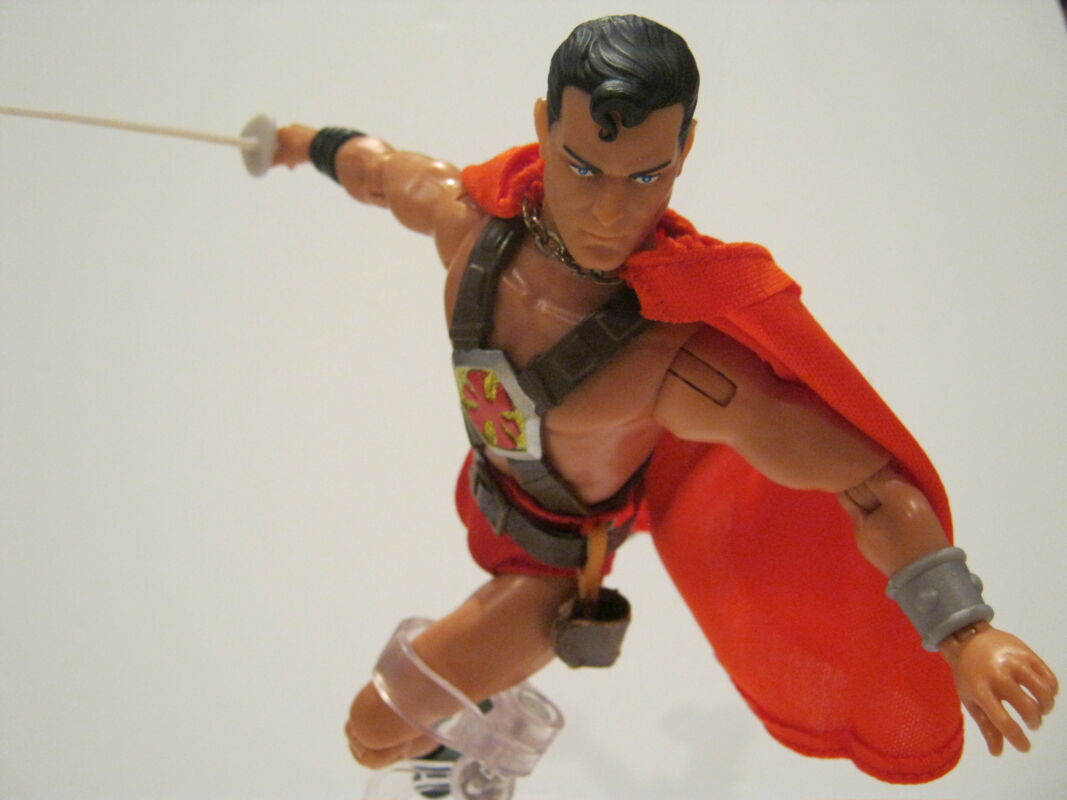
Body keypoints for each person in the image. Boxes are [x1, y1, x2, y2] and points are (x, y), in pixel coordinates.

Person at [271, 15, 1056, 785]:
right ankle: (471, 702)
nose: (609, 213)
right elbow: (380, 172)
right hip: (482, 495)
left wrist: (963, 631)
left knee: (374, 731)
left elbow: (867, 484)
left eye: (645, 177)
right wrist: (298, 142)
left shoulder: (670, 361)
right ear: (544, 126)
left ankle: (459, 737)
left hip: (552, 565)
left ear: (684, 151)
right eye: (584, 168)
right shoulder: (470, 224)